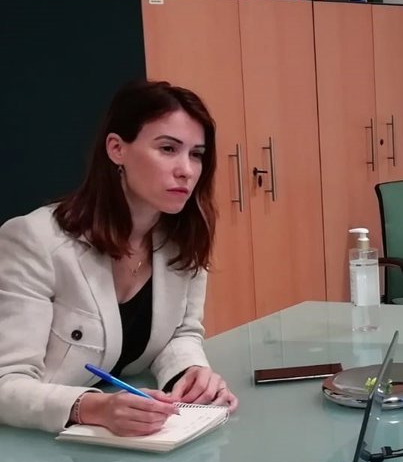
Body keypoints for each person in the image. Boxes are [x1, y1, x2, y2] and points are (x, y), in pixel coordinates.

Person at [0, 80, 239, 436]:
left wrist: (190, 374)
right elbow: (6, 382)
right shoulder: (35, 239)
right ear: (116, 149)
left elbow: (181, 332)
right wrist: (92, 407)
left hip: (128, 444)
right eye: (168, 148)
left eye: (196, 154)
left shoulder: (182, 238)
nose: (187, 170)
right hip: (34, 444)